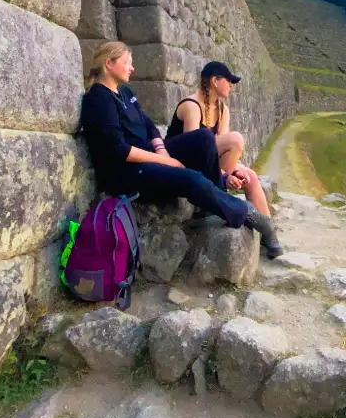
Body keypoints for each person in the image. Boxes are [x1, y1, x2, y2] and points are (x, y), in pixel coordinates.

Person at [79, 41, 282, 257]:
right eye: (127, 63)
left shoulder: (125, 92)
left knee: (204, 137)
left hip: (148, 156)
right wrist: (166, 162)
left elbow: (148, 125)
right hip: (125, 172)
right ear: (109, 64)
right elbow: (119, 150)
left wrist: (162, 151)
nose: (132, 68)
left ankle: (214, 197)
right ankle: (250, 215)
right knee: (190, 178)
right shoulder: (99, 99)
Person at [166, 60, 273, 219]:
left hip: (209, 164)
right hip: (182, 162)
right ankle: (217, 192)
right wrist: (225, 176)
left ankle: (267, 230)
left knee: (249, 175)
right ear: (215, 81)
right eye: (228, 80)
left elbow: (221, 150)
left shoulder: (223, 110)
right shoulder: (192, 106)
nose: (231, 85)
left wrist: (234, 172)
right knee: (236, 140)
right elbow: (194, 150)